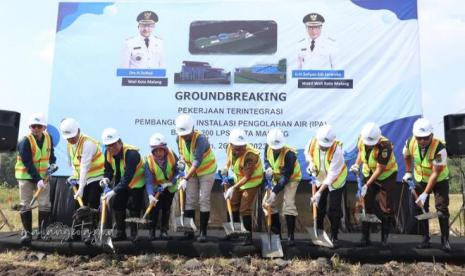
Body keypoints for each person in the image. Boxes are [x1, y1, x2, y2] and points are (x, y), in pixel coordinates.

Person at [403, 118, 451, 252]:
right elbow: (406, 156)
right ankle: (425, 240)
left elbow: (435, 174)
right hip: (420, 178)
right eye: (419, 138)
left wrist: (425, 193)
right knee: (421, 208)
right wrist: (408, 171)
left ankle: (445, 240)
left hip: (439, 179)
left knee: (442, 208)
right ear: (415, 136)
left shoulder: (440, 148)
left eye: (425, 138)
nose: (422, 141)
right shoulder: (410, 143)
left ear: (431, 135)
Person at [350, 122, 398, 247]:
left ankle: (384, 240)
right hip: (368, 172)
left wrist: (367, 185)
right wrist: (357, 164)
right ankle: (365, 237)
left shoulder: (385, 145)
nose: (369, 145)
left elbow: (380, 169)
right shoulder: (362, 139)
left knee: (386, 206)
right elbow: (361, 152)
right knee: (366, 204)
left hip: (386, 176)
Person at [59, 118, 105, 244]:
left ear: (78, 131)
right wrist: (73, 177)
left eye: (72, 137)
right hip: (82, 178)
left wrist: (81, 188)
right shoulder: (70, 145)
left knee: (91, 206)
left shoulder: (88, 144)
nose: (71, 140)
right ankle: (76, 234)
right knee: (78, 206)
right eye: (68, 138)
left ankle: (91, 235)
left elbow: (84, 166)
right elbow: (75, 165)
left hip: (96, 178)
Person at [15, 113, 57, 245]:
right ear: (30, 127)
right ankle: (27, 233)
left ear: (44, 127)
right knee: (26, 204)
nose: (36, 129)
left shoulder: (48, 138)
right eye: (33, 126)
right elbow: (27, 162)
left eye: (39, 126)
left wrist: (52, 164)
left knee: (45, 204)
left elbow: (51, 155)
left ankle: (43, 232)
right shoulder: (25, 141)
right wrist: (38, 179)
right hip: (26, 177)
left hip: (43, 177)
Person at [175, 114, 217, 242]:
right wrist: (181, 162)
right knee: (190, 199)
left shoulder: (201, 139)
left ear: (192, 129)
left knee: (203, 199)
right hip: (190, 171)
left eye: (186, 134)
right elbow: (182, 154)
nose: (184, 137)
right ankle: (189, 231)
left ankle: (203, 233)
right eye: (182, 135)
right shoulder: (179, 138)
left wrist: (185, 179)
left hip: (207, 171)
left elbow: (197, 161)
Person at [305, 125, 347, 247]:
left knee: (334, 208)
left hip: (336, 180)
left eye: (325, 146)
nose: (323, 147)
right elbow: (308, 153)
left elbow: (331, 176)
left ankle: (335, 236)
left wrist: (318, 192)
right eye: (321, 145)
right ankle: (319, 231)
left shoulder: (337, 151)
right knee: (319, 206)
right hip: (319, 178)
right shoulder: (313, 142)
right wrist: (311, 163)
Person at [100, 128, 145, 241]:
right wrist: (106, 179)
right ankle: (120, 232)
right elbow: (109, 170)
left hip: (136, 182)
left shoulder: (131, 154)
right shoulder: (108, 153)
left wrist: (113, 191)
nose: (111, 148)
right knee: (117, 204)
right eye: (108, 146)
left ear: (119, 142)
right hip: (121, 182)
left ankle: (134, 232)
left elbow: (128, 176)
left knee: (135, 206)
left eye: (113, 145)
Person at [222, 128, 264, 245]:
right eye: (237, 148)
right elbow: (229, 161)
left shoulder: (251, 156)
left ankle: (248, 237)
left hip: (251, 182)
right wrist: (226, 167)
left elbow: (248, 177)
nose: (240, 150)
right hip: (239, 181)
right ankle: (233, 233)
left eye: (242, 147)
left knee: (244, 208)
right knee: (232, 203)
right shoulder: (229, 147)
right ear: (231, 144)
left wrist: (233, 188)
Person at [262, 128, 301, 246]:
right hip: (275, 177)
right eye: (274, 147)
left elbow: (285, 177)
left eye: (278, 147)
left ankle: (290, 237)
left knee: (288, 204)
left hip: (291, 178)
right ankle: (276, 235)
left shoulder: (289, 154)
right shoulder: (267, 146)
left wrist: (274, 192)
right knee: (267, 204)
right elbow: (266, 160)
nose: (275, 149)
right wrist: (268, 167)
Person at [144, 133, 179, 240]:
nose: (158, 153)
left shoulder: (172, 155)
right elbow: (149, 181)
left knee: (166, 209)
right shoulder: (148, 161)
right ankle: (152, 231)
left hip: (170, 187)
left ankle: (164, 231)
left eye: (161, 150)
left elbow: (178, 171)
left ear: (165, 149)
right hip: (156, 188)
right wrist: (150, 195)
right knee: (154, 210)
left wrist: (170, 182)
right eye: (156, 151)